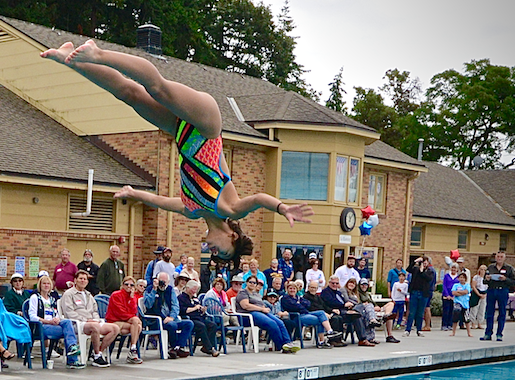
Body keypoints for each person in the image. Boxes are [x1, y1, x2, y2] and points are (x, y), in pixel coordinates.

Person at [41, 40, 312, 266]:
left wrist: (134, 193)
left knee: (129, 93)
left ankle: (72, 59)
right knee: (157, 88)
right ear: (232, 237)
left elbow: (158, 201)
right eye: (221, 252)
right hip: (206, 126)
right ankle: (98, 53)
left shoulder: (192, 210)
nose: (212, 252)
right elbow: (260, 198)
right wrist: (282, 207)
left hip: (180, 131)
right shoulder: (231, 208)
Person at [59, 270, 119, 367]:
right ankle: (97, 355)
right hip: (77, 323)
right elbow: (69, 313)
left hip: (92, 322)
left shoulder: (88, 295)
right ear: (75, 280)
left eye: (85, 279)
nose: (83, 281)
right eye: (80, 279)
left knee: (115, 328)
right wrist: (86, 320)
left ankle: (98, 353)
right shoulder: (69, 294)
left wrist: (96, 319)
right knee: (94, 327)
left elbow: (95, 311)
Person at [29, 274, 83, 368]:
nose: (46, 286)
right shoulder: (35, 297)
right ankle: (72, 359)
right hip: (42, 326)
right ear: (40, 285)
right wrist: (47, 321)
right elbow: (32, 316)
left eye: (48, 284)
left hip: (54, 324)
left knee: (67, 322)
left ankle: (71, 348)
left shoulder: (52, 299)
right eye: (44, 284)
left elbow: (57, 314)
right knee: (69, 331)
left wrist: (57, 319)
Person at [235, 276, 300, 353]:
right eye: (250, 282)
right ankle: (281, 346)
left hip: (260, 312)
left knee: (280, 322)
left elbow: (261, 304)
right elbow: (246, 306)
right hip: (248, 315)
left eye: (254, 283)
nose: (252, 284)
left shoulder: (256, 294)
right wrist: (262, 309)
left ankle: (288, 343)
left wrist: (264, 308)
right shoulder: (243, 293)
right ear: (246, 283)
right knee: (272, 324)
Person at [143, 272, 195, 358]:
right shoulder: (149, 289)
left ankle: (178, 347)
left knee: (189, 323)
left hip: (170, 318)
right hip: (156, 320)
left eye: (165, 281)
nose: (163, 283)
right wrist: (154, 290)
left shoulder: (170, 290)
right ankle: (173, 347)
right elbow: (148, 305)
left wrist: (172, 316)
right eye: (161, 281)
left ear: (168, 282)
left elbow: (175, 305)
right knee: (172, 325)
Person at [280, 281, 340, 348]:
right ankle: (321, 341)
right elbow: (294, 307)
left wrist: (299, 304)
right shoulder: (285, 298)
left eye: (294, 289)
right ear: (287, 289)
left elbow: (308, 304)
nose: (292, 290)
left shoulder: (298, 298)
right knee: (321, 320)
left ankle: (329, 331)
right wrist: (300, 305)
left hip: (306, 313)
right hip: (297, 316)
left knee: (321, 313)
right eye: (290, 288)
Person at [321, 275, 371, 346]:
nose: (335, 285)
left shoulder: (338, 292)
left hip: (343, 311)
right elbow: (331, 302)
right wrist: (344, 305)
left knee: (357, 316)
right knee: (338, 318)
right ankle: (335, 340)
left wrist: (348, 306)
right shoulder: (326, 292)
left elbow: (344, 301)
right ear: (329, 283)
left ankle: (362, 339)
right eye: (333, 283)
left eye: (337, 283)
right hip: (332, 312)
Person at [104, 276, 144, 364]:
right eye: (126, 284)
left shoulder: (131, 297)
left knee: (137, 326)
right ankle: (133, 350)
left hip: (125, 322)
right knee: (136, 323)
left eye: (132, 285)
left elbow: (134, 311)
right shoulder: (116, 295)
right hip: (114, 321)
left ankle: (132, 348)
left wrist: (132, 298)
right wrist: (134, 319)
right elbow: (120, 312)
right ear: (122, 285)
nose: (129, 286)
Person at [481, 251, 515, 341]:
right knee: (489, 312)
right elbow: (484, 281)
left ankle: (499, 334)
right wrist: (487, 278)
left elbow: (513, 282)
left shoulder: (509, 268)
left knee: (502, 312)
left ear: (504, 258)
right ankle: (488, 333)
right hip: (492, 290)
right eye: (498, 256)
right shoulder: (490, 267)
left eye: (501, 257)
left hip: (503, 290)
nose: (499, 258)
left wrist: (505, 279)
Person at [179, 279, 220, 356]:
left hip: (199, 318)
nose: (195, 291)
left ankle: (206, 347)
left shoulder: (195, 298)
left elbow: (199, 309)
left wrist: (202, 310)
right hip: (189, 319)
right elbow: (183, 310)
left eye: (196, 289)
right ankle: (210, 348)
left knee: (212, 325)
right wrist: (195, 308)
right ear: (187, 288)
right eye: (193, 289)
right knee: (201, 326)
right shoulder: (181, 298)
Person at [359, 278, 398, 343]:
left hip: (375, 309)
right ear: (359, 285)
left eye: (365, 284)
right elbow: (362, 305)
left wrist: (377, 307)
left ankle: (386, 315)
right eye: (362, 284)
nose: (364, 286)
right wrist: (373, 308)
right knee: (389, 316)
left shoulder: (368, 294)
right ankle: (389, 334)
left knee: (390, 304)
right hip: (368, 311)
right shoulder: (359, 294)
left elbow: (374, 303)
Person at [405, 256, 436, 337]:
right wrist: (415, 261)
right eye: (423, 262)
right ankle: (407, 330)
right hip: (414, 292)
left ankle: (419, 330)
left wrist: (422, 271)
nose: (424, 263)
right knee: (412, 312)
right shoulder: (415, 270)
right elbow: (408, 269)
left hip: (424, 294)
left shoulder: (430, 271)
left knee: (420, 313)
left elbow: (429, 278)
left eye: (426, 262)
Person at [450, 272, 472, 337]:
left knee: (466, 319)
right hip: (457, 302)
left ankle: (469, 333)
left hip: (465, 304)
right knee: (455, 318)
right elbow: (453, 292)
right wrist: (461, 292)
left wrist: (459, 292)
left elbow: (466, 291)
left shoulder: (467, 285)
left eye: (463, 278)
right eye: (460, 277)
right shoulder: (456, 285)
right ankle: (453, 332)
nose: (462, 279)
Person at [441, 263, 460, 331]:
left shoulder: (458, 278)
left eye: (455, 268)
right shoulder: (447, 276)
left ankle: (450, 324)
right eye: (452, 268)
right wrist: (447, 295)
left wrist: (454, 295)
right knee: (446, 310)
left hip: (454, 296)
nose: (454, 269)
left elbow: (458, 287)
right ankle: (444, 325)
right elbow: (444, 285)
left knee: (452, 311)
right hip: (446, 296)